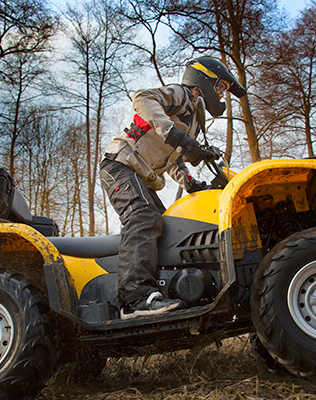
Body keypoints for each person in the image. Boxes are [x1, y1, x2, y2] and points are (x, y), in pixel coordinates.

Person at [99, 57, 247, 319]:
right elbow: (142, 98)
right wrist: (173, 133)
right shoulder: (181, 95)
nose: (222, 94)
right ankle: (134, 298)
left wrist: (191, 183)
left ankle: (158, 291)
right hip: (120, 165)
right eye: (220, 87)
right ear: (203, 80)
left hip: (138, 176)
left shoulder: (191, 121)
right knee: (143, 216)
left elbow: (173, 160)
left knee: (167, 225)